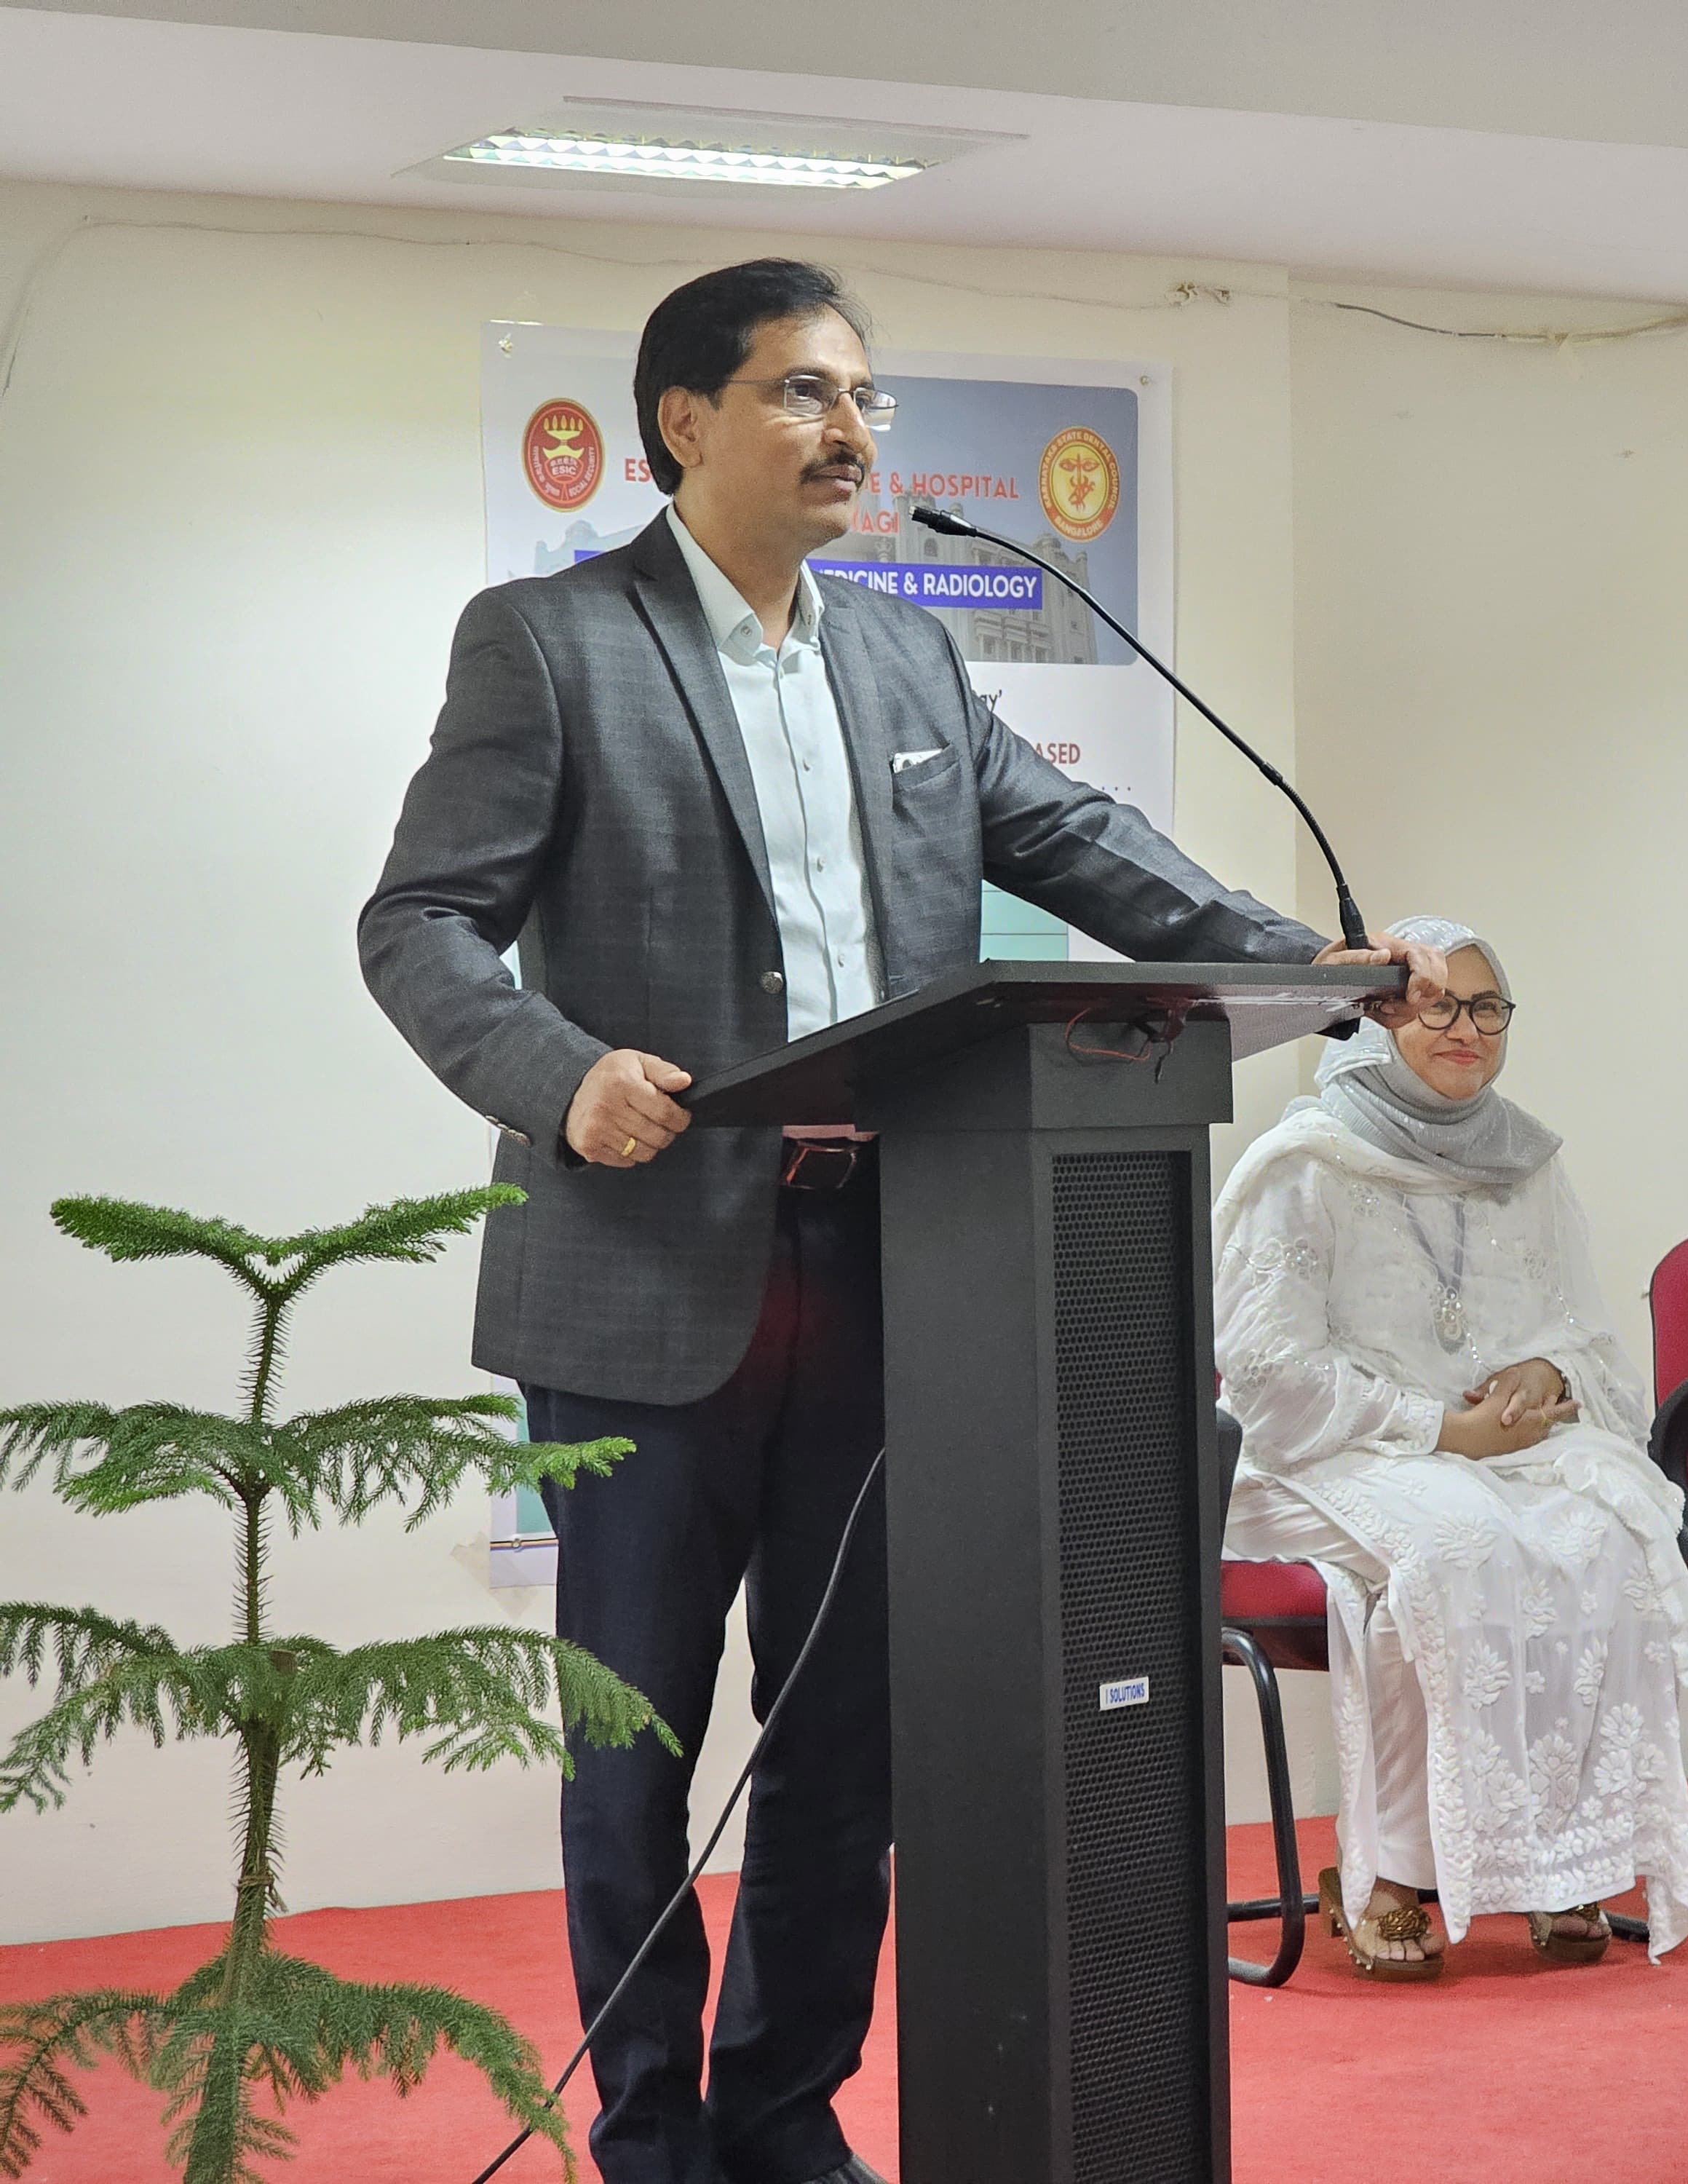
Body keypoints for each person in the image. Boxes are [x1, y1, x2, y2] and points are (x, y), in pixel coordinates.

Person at [358, 258, 1436, 2184]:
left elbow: (1081, 845)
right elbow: (420, 921)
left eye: (865, 397)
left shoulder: (906, 659)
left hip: (892, 1272)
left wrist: (1305, 964)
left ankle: (783, 2119)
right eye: (804, 393)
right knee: (633, 1753)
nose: (851, 431)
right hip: (641, 1280)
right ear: (682, 421)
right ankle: (651, 2139)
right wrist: (559, 1073)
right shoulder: (551, 641)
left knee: (844, 1742)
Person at [1213, 918, 1688, 1977]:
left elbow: (1585, 1336)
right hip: (1323, 1459)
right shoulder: (1302, 1164)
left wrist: (1547, 1376)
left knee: (1605, 1531)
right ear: (1375, 1019)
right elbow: (1267, 1375)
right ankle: (1392, 1875)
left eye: (1488, 1008)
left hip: (1496, 1455)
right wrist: (1441, 1430)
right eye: (1436, 1004)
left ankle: (1561, 1862)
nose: (1466, 1029)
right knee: (1450, 1549)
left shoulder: (1524, 1160)